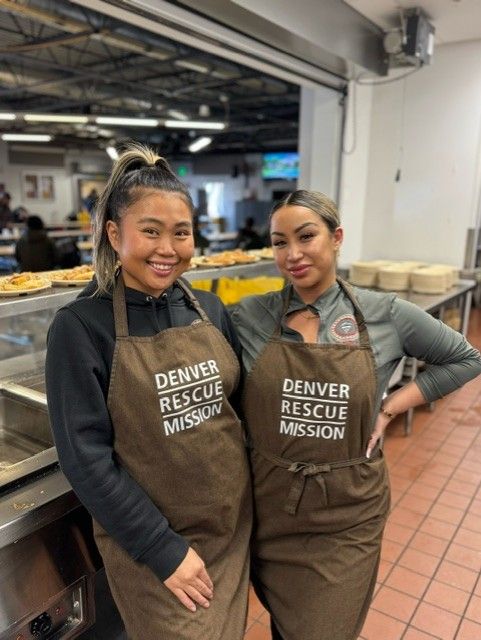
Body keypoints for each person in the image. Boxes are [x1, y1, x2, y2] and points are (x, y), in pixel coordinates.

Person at [231, 189, 481, 640]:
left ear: (336, 237)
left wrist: (392, 405)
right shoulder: (251, 316)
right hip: (271, 507)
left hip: (346, 515)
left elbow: (466, 358)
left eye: (306, 236)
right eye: (280, 242)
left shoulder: (385, 313)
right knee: (285, 622)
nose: (293, 254)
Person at [45, 143, 252, 640]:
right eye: (150, 231)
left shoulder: (209, 309)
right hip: (157, 547)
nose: (168, 248)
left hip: (232, 532)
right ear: (115, 235)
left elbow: (236, 415)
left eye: (181, 233)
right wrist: (162, 550)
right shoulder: (81, 325)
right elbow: (86, 459)